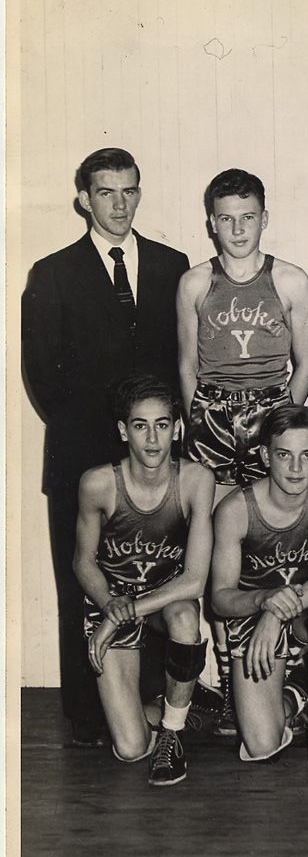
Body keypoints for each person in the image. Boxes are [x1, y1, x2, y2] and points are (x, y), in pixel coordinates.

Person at [23, 147, 190, 746]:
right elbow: (42, 376)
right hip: (81, 458)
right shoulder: (53, 273)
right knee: (84, 582)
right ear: (83, 200)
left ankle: (152, 697)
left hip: (155, 457)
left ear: (139, 193)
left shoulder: (173, 264)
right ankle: (87, 713)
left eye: (129, 191)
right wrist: (103, 449)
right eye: (105, 193)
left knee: (156, 576)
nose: (119, 204)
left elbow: (180, 364)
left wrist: (154, 446)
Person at [177, 168, 308, 736]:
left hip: (269, 414)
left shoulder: (289, 280)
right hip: (212, 416)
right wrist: (199, 422)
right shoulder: (194, 283)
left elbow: (306, 361)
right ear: (211, 223)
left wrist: (281, 423)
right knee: (219, 542)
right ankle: (232, 677)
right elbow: (187, 364)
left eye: (248, 217)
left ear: (265, 218)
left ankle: (297, 673)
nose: (238, 228)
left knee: (277, 532)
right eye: (226, 219)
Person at [73, 376, 215, 785]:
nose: (153, 438)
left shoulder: (195, 480)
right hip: (111, 599)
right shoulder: (98, 483)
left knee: (186, 618)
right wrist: (109, 606)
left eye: (163, 424)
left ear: (177, 427)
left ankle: (172, 734)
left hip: (163, 599)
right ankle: (187, 700)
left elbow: (194, 581)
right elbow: (83, 563)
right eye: (140, 425)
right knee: (131, 748)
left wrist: (121, 615)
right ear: (123, 431)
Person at [210, 405, 308, 784]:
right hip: (257, 623)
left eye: (307, 455)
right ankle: (299, 694)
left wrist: (279, 611)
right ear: (264, 455)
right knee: (262, 745)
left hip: (306, 616)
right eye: (283, 455)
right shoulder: (235, 510)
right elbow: (220, 598)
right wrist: (263, 604)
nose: (295, 468)